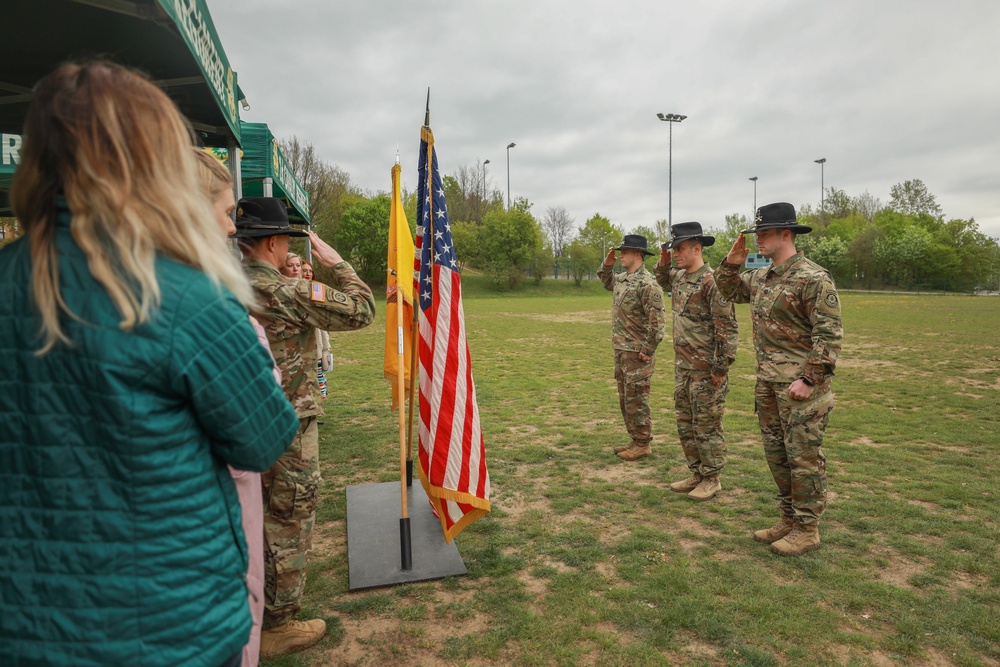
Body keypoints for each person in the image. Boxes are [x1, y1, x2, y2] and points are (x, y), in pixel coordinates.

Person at [0, 60, 300, 667]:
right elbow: (264, 438)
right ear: (151, 161)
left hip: (28, 623)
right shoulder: (184, 294)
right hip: (167, 620)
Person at [235, 198, 375, 657]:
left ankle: (249, 603)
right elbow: (361, 309)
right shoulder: (284, 292)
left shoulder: (219, 285)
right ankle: (276, 623)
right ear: (274, 243)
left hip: (234, 421)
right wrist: (339, 263)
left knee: (248, 512)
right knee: (288, 515)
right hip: (286, 423)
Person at [715, 202, 843, 556]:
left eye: (764, 233)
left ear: (786, 234)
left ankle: (807, 528)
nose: (758, 240)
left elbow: (828, 334)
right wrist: (731, 262)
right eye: (757, 234)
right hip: (769, 384)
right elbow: (726, 289)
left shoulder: (813, 278)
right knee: (777, 455)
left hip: (802, 389)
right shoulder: (762, 277)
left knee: (804, 458)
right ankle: (788, 518)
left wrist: (810, 379)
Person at [194, 148, 275, 667]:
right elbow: (262, 434)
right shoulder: (206, 305)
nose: (230, 229)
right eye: (225, 214)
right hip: (215, 517)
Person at [654, 222, 738, 500]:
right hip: (684, 367)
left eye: (680, 248)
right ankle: (697, 472)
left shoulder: (712, 281)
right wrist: (664, 263)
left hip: (706, 370)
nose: (676, 253)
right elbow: (662, 280)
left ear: (697, 248)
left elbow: (726, 327)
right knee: (685, 422)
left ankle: (713, 477)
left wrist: (720, 367)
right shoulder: (679, 277)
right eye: (674, 248)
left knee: (707, 425)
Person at [598, 234, 666, 461]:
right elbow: (605, 279)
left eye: (624, 252)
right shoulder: (622, 280)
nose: (620, 255)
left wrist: (647, 350)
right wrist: (608, 263)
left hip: (637, 353)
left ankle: (643, 443)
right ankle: (635, 438)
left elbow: (657, 324)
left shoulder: (648, 284)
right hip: (622, 350)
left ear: (638, 255)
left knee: (638, 398)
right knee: (626, 398)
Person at [301, 260, 333, 397]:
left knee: (319, 376)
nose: (308, 273)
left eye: (310, 271)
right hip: (303, 341)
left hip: (319, 336)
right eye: (304, 270)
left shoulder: (317, 288)